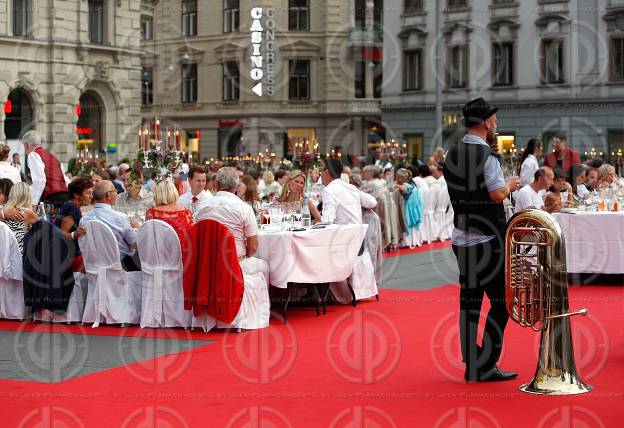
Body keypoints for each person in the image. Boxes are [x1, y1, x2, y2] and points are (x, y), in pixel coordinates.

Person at [443, 97, 519, 382]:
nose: (496, 122)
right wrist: (510, 185)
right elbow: (496, 194)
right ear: (486, 122)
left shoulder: (452, 153)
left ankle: (472, 361)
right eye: (494, 118)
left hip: (461, 236)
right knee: (502, 304)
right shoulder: (487, 156)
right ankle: (484, 364)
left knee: (470, 302)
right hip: (486, 239)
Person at [195, 167, 269, 280]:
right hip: (235, 263)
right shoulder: (244, 208)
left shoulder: (202, 206)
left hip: (206, 263)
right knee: (264, 266)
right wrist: (242, 256)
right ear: (236, 186)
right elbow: (253, 247)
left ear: (217, 184)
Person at [80, 180, 141, 271]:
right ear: (108, 195)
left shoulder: (84, 219)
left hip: (94, 268)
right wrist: (136, 228)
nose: (116, 193)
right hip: (120, 268)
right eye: (114, 190)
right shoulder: (119, 218)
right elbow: (135, 244)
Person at [145, 180, 194, 262]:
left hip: (159, 259)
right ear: (174, 192)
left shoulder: (152, 213)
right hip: (183, 258)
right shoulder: (186, 212)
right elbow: (191, 236)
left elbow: (148, 238)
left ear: (157, 195)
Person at [318, 158, 377, 225]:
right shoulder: (350, 187)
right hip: (357, 233)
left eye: (321, 171)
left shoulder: (328, 190)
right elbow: (372, 202)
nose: (320, 174)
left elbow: (326, 221)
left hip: (341, 234)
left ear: (326, 172)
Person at [22, 130, 71, 207]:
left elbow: (40, 180)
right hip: (65, 195)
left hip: (51, 198)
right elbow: (66, 180)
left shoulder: (33, 155)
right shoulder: (52, 157)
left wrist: (34, 203)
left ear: (26, 145)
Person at [55, 177, 93, 272]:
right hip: (71, 258)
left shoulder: (71, 206)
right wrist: (74, 234)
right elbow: (59, 235)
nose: (91, 196)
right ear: (76, 195)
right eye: (88, 193)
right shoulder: (72, 208)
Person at [3, 182, 39, 255]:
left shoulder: (5, 211)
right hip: (19, 256)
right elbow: (45, 227)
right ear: (27, 196)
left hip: (5, 255)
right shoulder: (27, 213)